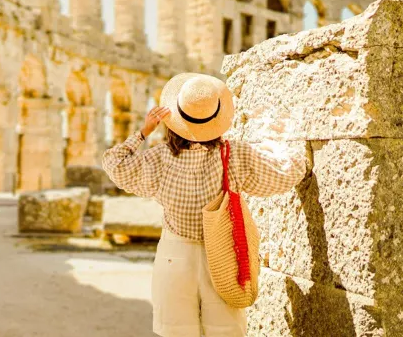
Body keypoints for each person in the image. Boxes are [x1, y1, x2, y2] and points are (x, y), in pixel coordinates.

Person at [101, 72, 306, 337]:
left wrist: (143, 132)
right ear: (217, 118)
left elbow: (114, 163)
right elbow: (284, 174)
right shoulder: (234, 154)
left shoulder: (159, 158)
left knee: (176, 331)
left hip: (175, 254)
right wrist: (287, 143)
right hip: (223, 254)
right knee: (225, 330)